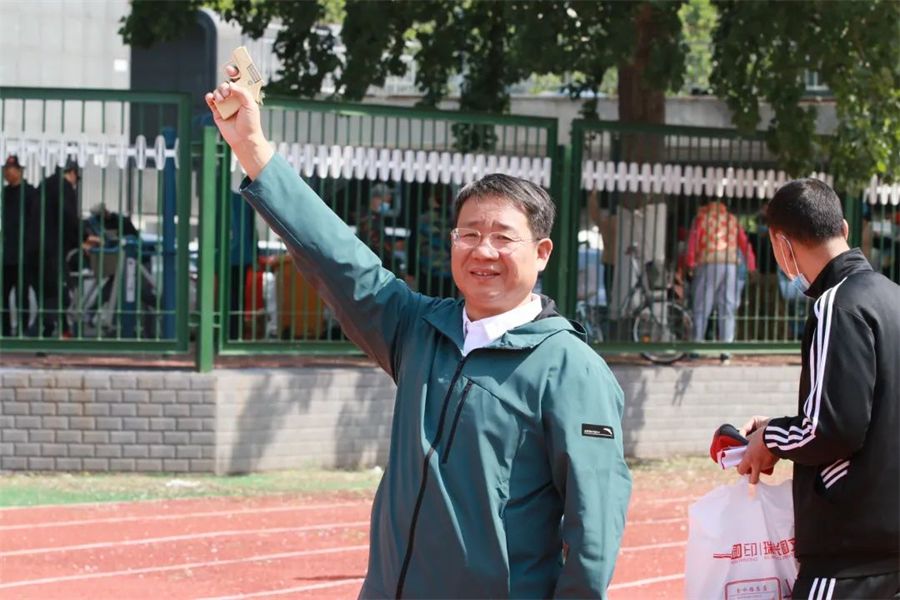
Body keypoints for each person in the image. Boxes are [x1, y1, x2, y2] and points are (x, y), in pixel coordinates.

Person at [206, 76, 631, 598]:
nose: (483, 251)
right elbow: (339, 259)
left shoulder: (570, 368)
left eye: (503, 237)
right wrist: (252, 148)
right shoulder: (421, 330)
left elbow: (594, 523)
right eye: (469, 234)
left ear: (541, 253)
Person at [737, 178, 900, 599]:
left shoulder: (836, 305)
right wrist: (780, 428)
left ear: (782, 246)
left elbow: (832, 429)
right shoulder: (892, 297)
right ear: (844, 228)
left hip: (848, 552)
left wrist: (769, 438)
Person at [685, 198, 757, 353]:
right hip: (730, 264)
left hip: (708, 263)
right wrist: (751, 265)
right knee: (728, 307)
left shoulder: (702, 218)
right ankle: (726, 349)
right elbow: (744, 243)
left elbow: (693, 241)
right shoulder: (732, 220)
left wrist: (690, 263)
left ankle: (696, 346)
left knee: (702, 306)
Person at [40, 158, 83, 337]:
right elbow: (69, 217)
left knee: (49, 290)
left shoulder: (45, 186)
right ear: (72, 173)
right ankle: (47, 329)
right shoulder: (64, 188)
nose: (75, 184)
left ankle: (60, 329)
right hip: (53, 248)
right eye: (76, 179)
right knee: (63, 290)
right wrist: (83, 238)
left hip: (35, 247)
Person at [1, 154, 39, 337]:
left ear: (20, 171)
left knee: (21, 296)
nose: (7, 173)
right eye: (5, 169)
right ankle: (5, 330)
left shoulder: (30, 193)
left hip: (24, 254)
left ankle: (23, 330)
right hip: (7, 254)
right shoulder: (5, 193)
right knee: (3, 295)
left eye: (11, 169)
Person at [408, 185, 454, 298]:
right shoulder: (454, 220)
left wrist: (411, 270)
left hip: (427, 271)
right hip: (450, 273)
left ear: (432, 199)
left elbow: (413, 245)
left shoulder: (424, 219)